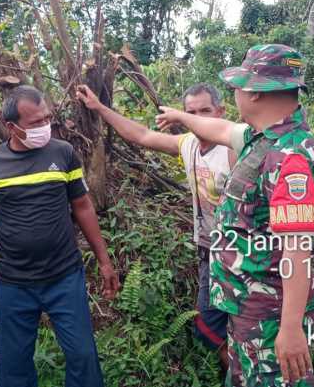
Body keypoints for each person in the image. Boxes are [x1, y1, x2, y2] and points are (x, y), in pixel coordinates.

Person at [155, 44, 314, 387]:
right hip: (250, 306)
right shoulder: (261, 138)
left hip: (271, 314)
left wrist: (291, 329)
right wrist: (180, 116)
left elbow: (297, 250)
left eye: (237, 87)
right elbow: (218, 130)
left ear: (254, 94)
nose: (235, 93)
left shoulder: (289, 157)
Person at [0, 85, 121, 387]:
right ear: (11, 127)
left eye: (47, 119)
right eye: (35, 123)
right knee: (13, 367)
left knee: (83, 356)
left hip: (64, 276)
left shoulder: (63, 154)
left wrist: (105, 261)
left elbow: (82, 207)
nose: (45, 127)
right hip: (15, 282)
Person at [75, 83, 250, 369]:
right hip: (210, 252)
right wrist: (100, 108)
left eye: (205, 111)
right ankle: (240, 373)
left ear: (221, 112)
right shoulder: (188, 144)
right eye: (190, 112)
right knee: (209, 327)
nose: (198, 118)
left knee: (246, 324)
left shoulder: (235, 148)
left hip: (243, 255)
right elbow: (142, 135)